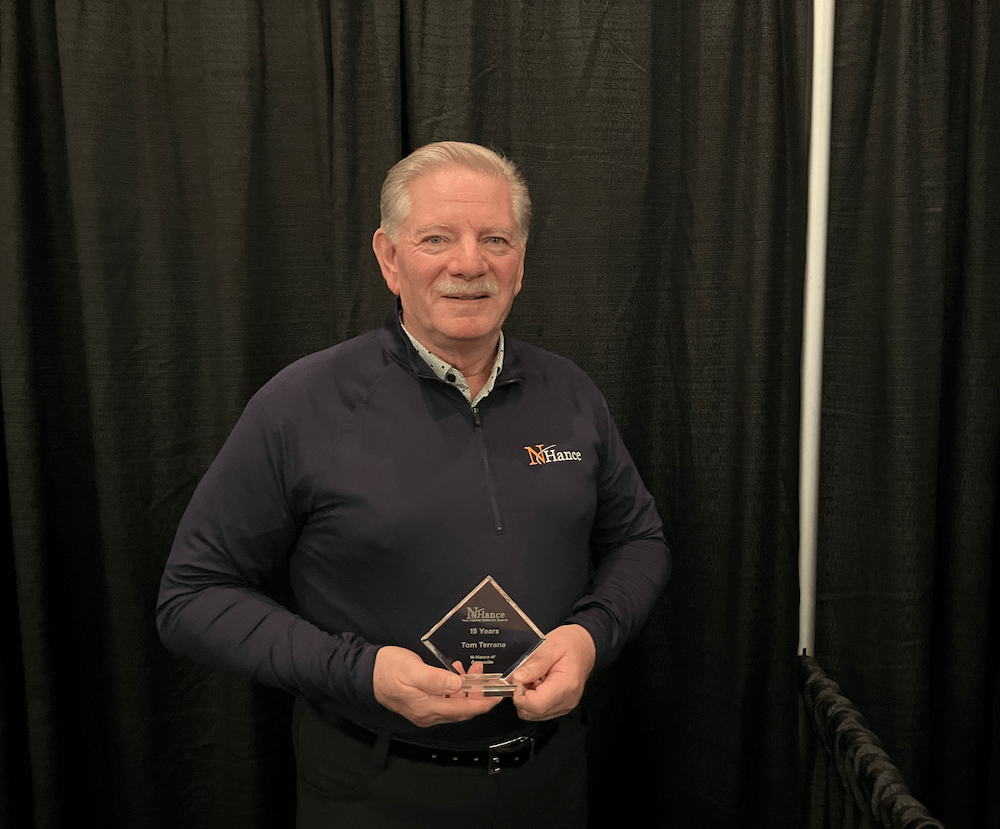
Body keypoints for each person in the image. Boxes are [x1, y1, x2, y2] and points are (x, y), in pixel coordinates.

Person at [157, 141, 670, 828]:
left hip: (548, 781)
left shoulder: (572, 395)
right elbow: (191, 597)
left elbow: (641, 538)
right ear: (390, 258)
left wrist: (589, 637)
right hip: (374, 790)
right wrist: (363, 672)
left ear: (521, 264)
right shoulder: (301, 405)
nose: (469, 262)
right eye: (437, 238)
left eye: (495, 238)